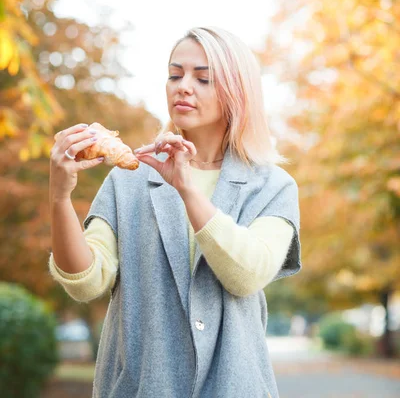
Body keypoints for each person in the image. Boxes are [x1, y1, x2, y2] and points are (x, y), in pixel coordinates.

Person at [48, 25, 301, 398]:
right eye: (175, 74)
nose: (183, 86)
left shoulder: (273, 186)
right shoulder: (129, 178)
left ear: (237, 92)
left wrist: (186, 189)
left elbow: (248, 274)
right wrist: (59, 199)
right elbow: (86, 281)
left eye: (203, 78)